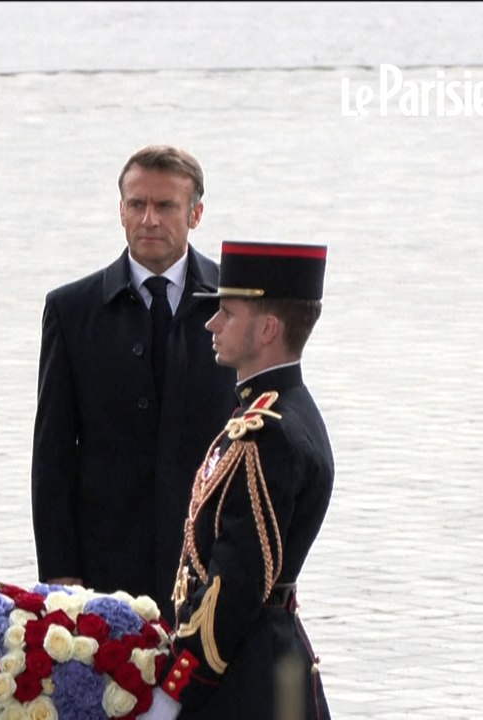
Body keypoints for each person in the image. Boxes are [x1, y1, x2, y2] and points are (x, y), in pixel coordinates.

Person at [31, 145, 236, 615]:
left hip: (213, 559)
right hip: (106, 562)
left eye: (165, 206)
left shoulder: (236, 303)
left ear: (196, 213)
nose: (149, 219)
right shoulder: (72, 310)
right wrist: (60, 570)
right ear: (120, 210)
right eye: (136, 204)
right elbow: (53, 452)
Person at [147, 241, 333, 720]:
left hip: (243, 678)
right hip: (270, 661)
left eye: (228, 313)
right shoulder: (283, 411)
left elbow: (235, 586)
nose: (212, 324)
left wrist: (175, 690)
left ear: (268, 328)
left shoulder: (266, 434)